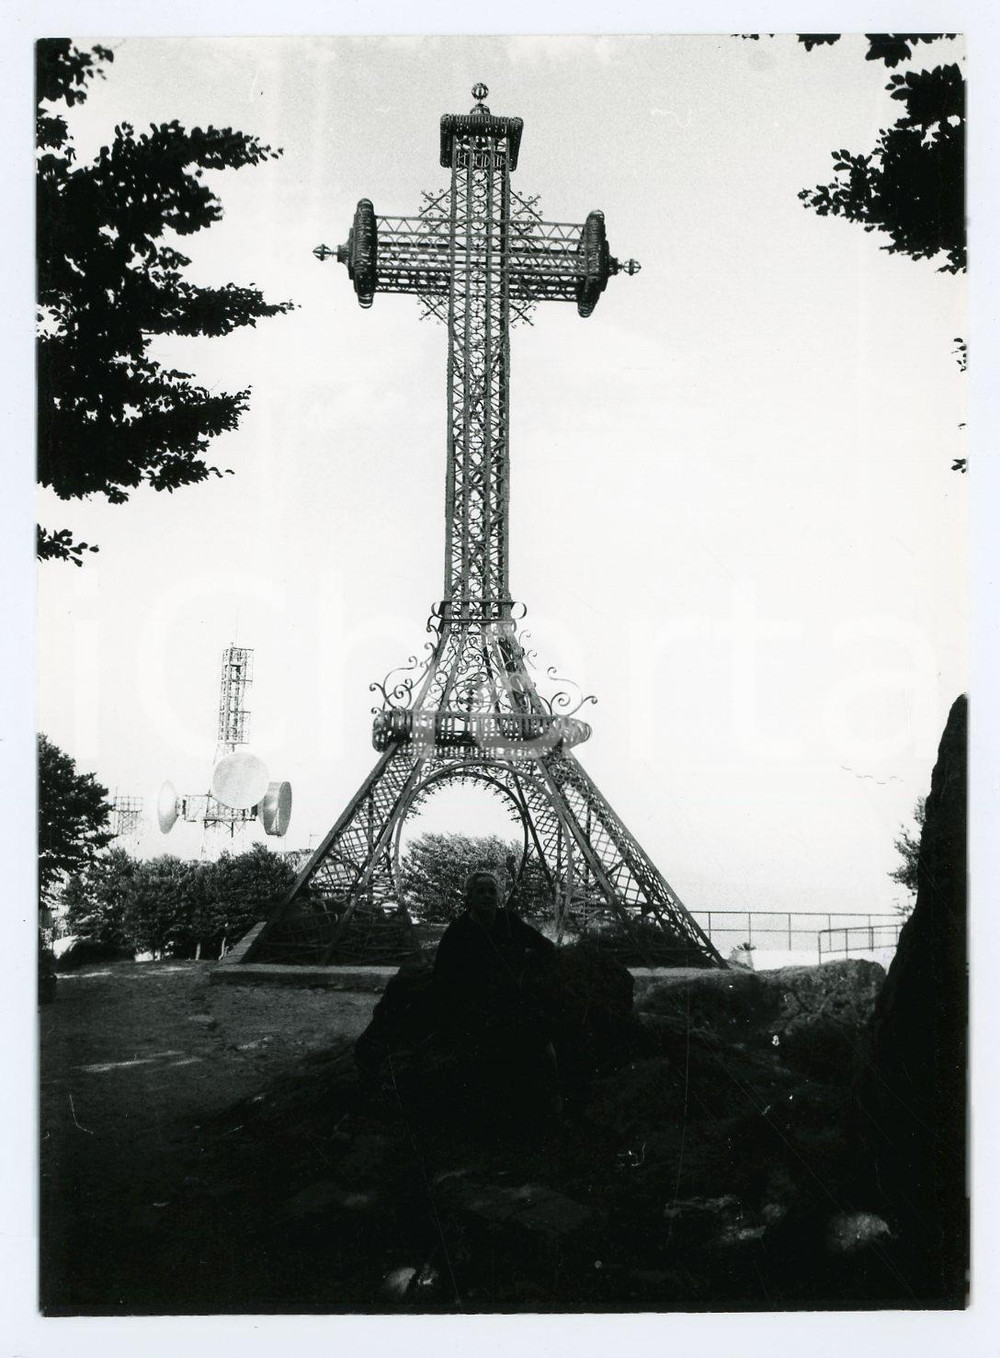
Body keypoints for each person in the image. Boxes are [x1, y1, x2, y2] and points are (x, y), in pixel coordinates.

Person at [433, 869, 560, 1135]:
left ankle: (545, 1116)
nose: (488, 896)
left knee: (543, 1051)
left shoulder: (509, 921)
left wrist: (532, 973)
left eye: (492, 890)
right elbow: (444, 978)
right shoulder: (458, 932)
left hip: (513, 1004)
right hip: (478, 1010)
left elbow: (544, 948)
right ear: (469, 897)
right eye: (481, 891)